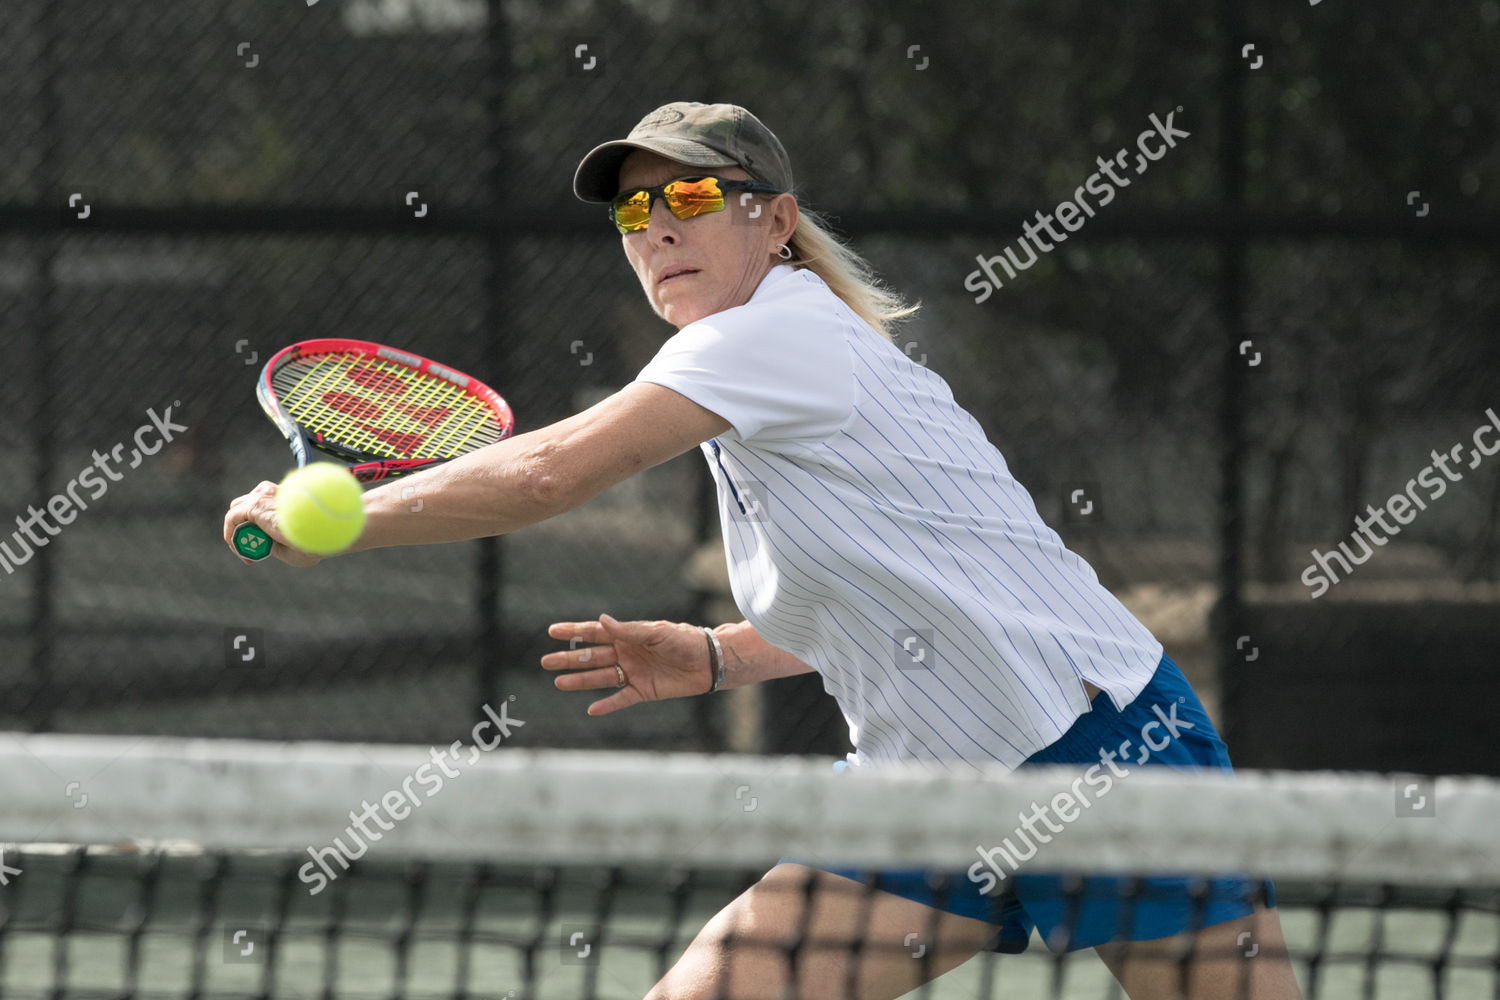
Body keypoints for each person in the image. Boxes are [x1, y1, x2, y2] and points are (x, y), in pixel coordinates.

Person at [225, 101, 1302, 1000]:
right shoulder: (744, 378)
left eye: (690, 198)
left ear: (775, 220)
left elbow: (549, 472)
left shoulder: (773, 336)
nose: (657, 228)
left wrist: (349, 517)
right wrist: (716, 656)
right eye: (634, 211)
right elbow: (896, 596)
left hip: (1100, 748)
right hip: (929, 784)